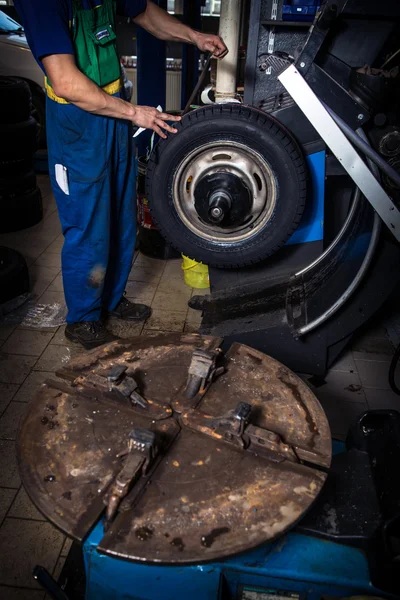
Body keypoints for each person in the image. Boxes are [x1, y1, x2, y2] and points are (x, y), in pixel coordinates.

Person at [14, 0, 228, 349]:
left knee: (122, 213)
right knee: (89, 224)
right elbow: (66, 82)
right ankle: (83, 318)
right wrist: (134, 113)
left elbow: (143, 11)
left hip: (111, 115)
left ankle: (111, 299)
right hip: (78, 121)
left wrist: (194, 36)